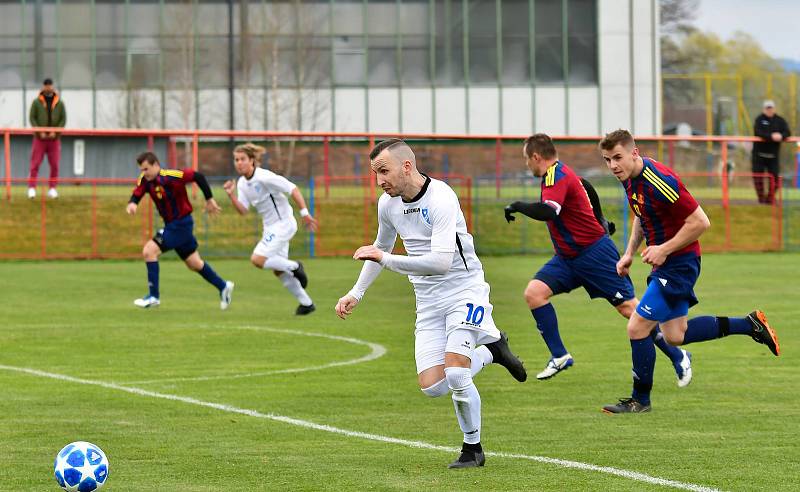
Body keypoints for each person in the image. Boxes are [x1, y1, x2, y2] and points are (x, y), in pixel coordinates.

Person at [335, 139, 527, 469]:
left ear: (406, 167)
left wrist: (385, 258)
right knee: (433, 387)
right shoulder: (388, 204)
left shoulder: (441, 198)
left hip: (464, 292)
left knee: (455, 373)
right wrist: (356, 292)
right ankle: (492, 351)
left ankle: (473, 449)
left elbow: (439, 262)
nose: (380, 180)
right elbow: (379, 246)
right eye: (375, 173)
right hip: (427, 302)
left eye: (384, 171)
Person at [598, 129, 780, 414]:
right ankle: (750, 324)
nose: (613, 166)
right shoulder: (630, 179)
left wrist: (664, 248)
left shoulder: (660, 181)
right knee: (676, 335)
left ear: (634, 152)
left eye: (617, 158)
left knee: (637, 326)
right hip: (666, 262)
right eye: (607, 160)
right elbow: (642, 216)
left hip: (679, 263)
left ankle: (640, 400)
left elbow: (700, 222)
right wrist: (629, 253)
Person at [504, 134, 691, 384]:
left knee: (631, 310)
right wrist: (601, 220)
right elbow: (585, 187)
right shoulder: (561, 174)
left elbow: (550, 211)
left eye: (526, 159)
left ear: (536, 157)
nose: (526, 164)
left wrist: (517, 205)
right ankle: (559, 355)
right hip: (568, 259)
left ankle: (678, 355)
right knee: (534, 293)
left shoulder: (555, 175)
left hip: (594, 255)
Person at [126, 151, 234, 310]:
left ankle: (154, 296)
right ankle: (223, 286)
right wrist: (132, 203)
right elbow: (138, 193)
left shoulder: (171, 176)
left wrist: (209, 199)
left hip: (181, 224)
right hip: (173, 225)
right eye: (142, 170)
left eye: (146, 169)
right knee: (194, 263)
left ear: (156, 165)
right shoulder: (145, 180)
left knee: (149, 251)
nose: (144, 173)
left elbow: (198, 176)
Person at [223, 143, 318, 315]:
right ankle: (306, 303)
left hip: (284, 224)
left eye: (242, 159)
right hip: (271, 228)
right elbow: (243, 210)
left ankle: (295, 266)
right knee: (278, 270)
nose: (239, 163)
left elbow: (292, 188)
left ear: (252, 160)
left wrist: (304, 212)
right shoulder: (242, 183)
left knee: (257, 259)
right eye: (236, 160)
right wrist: (231, 196)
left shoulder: (264, 177)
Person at [28, 78, 66, 200]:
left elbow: (63, 119)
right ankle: (32, 188)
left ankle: (52, 188)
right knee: (35, 163)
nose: (48, 87)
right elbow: (32, 118)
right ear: (43, 86)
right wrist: (39, 131)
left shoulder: (59, 103)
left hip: (54, 139)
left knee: (55, 164)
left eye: (50, 85)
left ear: (53, 86)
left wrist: (56, 132)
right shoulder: (36, 102)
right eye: (46, 85)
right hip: (40, 138)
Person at [752, 100, 790, 204]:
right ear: (764, 109)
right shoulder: (759, 120)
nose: (769, 110)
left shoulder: (780, 120)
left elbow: (787, 132)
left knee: (775, 179)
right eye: (767, 108)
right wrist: (771, 136)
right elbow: (758, 132)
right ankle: (761, 200)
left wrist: (781, 136)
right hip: (759, 155)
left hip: (773, 156)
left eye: (771, 108)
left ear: (774, 108)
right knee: (758, 178)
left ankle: (770, 199)